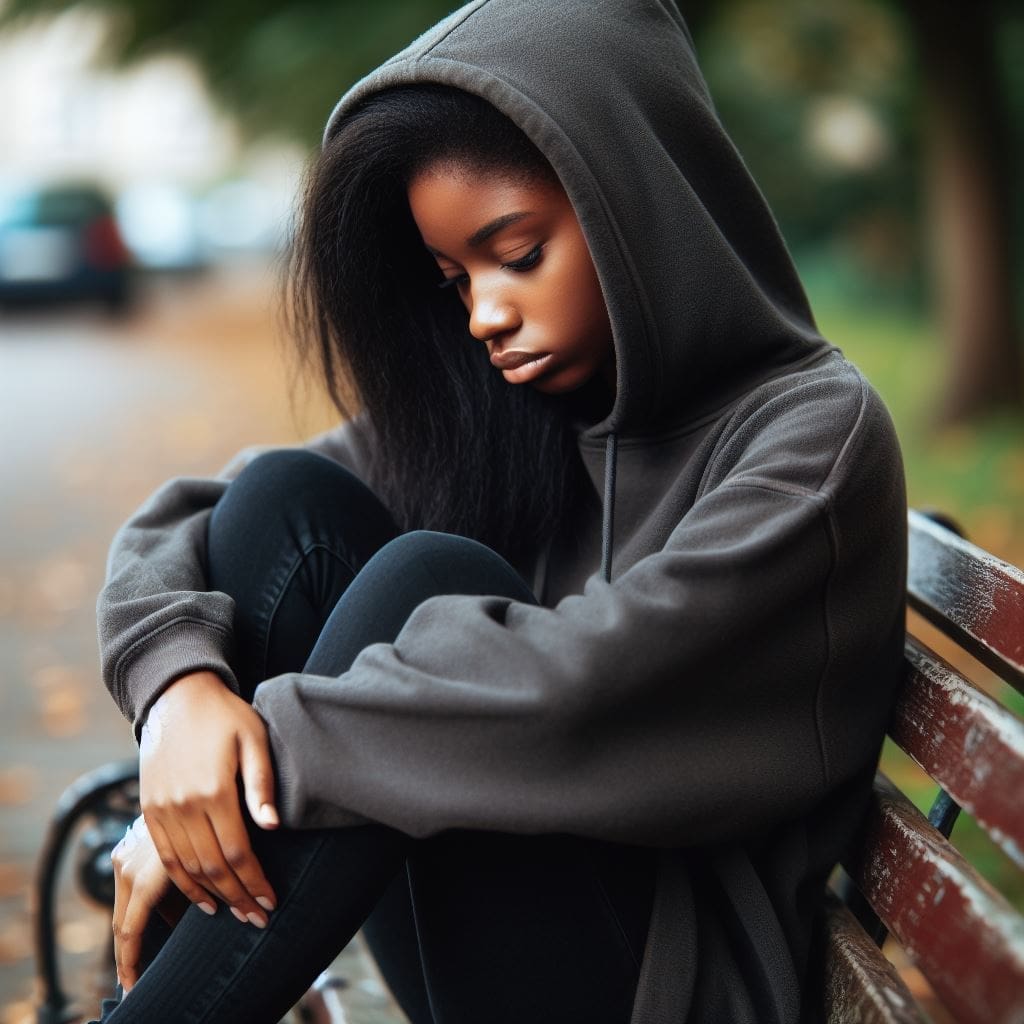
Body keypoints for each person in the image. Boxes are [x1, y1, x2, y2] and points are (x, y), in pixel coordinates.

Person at [92, 1, 907, 1021]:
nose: (483, 313)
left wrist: (256, 754)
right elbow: (198, 519)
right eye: (453, 278)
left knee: (427, 584)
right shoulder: (527, 404)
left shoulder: (812, 442)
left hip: (661, 982)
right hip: (495, 932)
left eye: (516, 254)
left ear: (636, 206)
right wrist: (178, 697)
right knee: (282, 509)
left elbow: (584, 698)